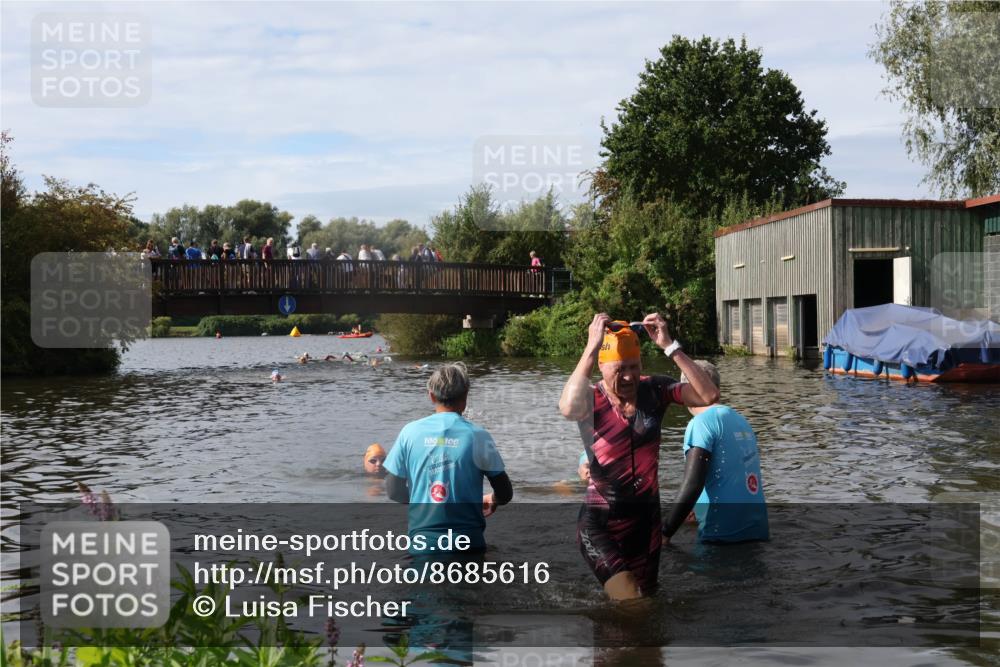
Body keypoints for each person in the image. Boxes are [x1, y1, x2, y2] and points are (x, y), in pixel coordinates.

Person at [558, 313, 720, 600]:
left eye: (634, 367)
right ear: (602, 366)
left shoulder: (654, 391)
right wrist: (591, 346)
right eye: (620, 369)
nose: (630, 376)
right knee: (631, 599)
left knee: (647, 603)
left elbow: (707, 396)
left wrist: (669, 346)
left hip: (646, 523)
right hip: (600, 522)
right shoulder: (591, 399)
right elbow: (568, 408)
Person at [384, 362, 513, 552]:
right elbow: (505, 493)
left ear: (431, 396)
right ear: (466, 396)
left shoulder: (409, 433)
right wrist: (493, 499)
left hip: (423, 544)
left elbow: (393, 491)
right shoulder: (478, 435)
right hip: (469, 543)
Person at [661, 361, 769, 545]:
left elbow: (693, 484)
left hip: (720, 536)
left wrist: (665, 532)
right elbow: (730, 476)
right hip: (758, 530)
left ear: (688, 390)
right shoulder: (742, 421)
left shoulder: (701, 423)